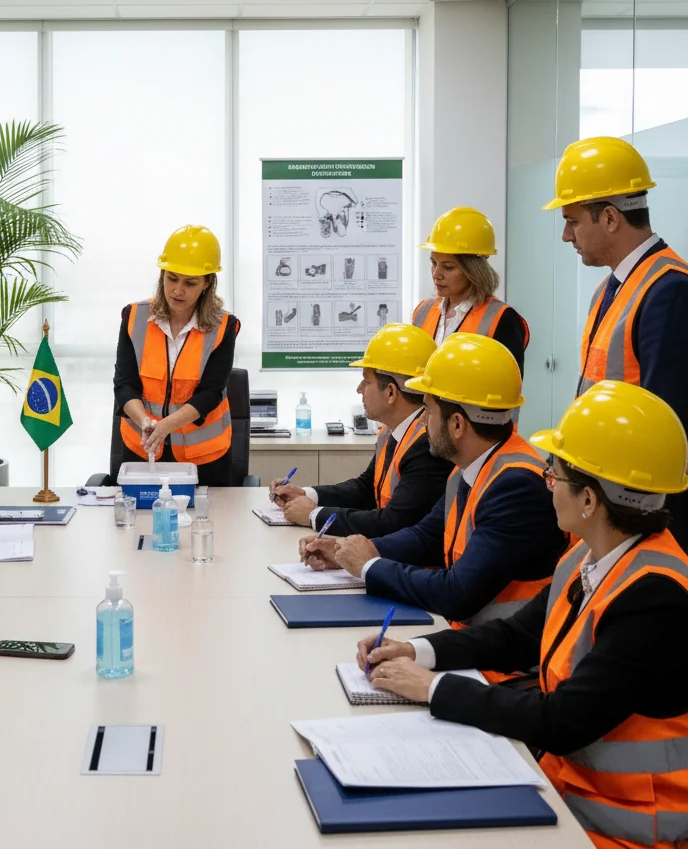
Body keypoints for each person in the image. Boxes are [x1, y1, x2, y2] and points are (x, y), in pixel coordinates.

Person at [360, 380, 688, 849]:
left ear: (590, 500)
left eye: (555, 475)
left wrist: (432, 689)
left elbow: (563, 719)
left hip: (624, 830)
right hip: (566, 796)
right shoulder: (590, 557)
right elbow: (516, 636)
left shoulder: (655, 599)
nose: (546, 481)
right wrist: (417, 650)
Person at [301, 334, 567, 680]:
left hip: (507, 669)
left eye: (428, 409)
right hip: (468, 645)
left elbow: (458, 594)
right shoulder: (473, 466)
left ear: (457, 424)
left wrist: (370, 566)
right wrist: (344, 551)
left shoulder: (516, 486)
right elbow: (427, 535)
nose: (423, 421)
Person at [544, 135, 688, 549]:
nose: (566, 235)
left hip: (639, 517)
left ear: (609, 218)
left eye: (572, 220)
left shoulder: (668, 291)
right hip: (605, 506)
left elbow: (670, 428)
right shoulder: (611, 288)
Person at [270, 323, 452, 536]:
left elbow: (394, 522)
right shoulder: (393, 431)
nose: (359, 389)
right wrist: (307, 494)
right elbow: (366, 488)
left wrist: (314, 515)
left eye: (366, 382)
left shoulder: (426, 446)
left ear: (391, 392)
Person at [113, 225, 240, 487]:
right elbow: (125, 384)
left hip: (204, 458)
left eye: (190, 283)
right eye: (172, 278)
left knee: (209, 523)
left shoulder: (223, 326)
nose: (177, 290)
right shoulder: (134, 318)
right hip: (143, 450)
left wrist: (167, 425)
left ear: (207, 283)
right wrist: (146, 422)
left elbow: (211, 392)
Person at [411, 207, 529, 374]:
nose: (436, 275)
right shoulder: (423, 311)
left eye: (448, 267)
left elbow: (506, 390)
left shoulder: (502, 319)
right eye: (433, 263)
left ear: (473, 270)